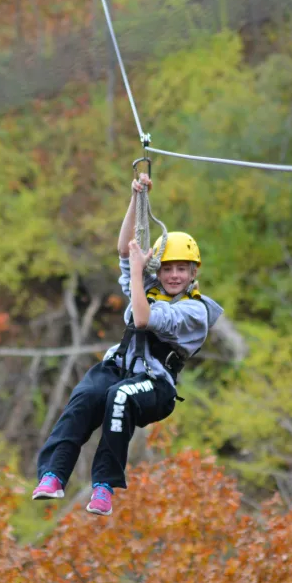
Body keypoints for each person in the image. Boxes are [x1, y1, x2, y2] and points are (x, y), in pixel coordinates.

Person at [31, 172, 224, 515]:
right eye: (167, 269)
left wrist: (137, 273)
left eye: (182, 269)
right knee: (86, 396)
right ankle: (53, 475)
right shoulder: (147, 285)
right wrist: (137, 198)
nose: (174, 275)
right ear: (158, 270)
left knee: (119, 399)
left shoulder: (195, 311)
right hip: (120, 367)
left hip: (154, 387)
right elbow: (124, 250)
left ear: (194, 273)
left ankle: (103, 486)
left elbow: (144, 319)